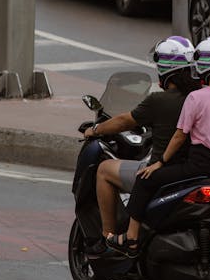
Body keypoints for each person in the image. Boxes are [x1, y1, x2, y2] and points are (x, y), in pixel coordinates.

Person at [106, 35, 210, 257]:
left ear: (203, 66)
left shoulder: (196, 98)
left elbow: (179, 137)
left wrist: (160, 163)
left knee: (146, 180)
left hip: (201, 166)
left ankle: (131, 238)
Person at [82, 36, 198, 255]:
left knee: (104, 170)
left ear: (165, 69)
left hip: (164, 170)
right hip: (196, 170)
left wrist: (95, 130)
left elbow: (124, 121)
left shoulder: (158, 100)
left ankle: (108, 239)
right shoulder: (200, 97)